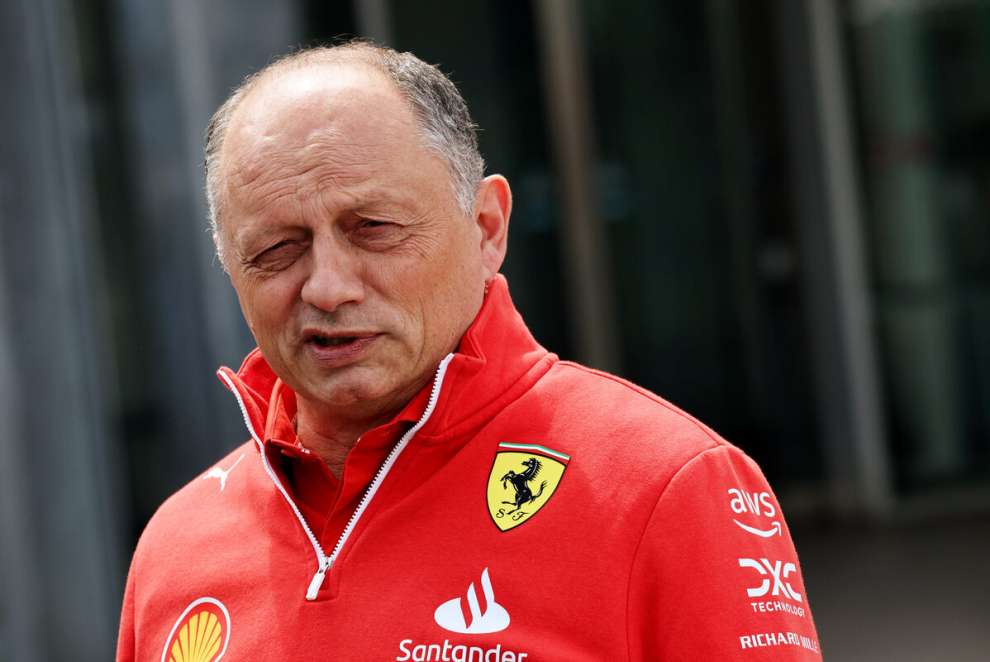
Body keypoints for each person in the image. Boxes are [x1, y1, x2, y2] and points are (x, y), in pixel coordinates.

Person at [117, 42, 822, 661]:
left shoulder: (665, 485)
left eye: (374, 228)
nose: (327, 287)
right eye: (277, 250)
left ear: (487, 228)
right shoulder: (177, 547)